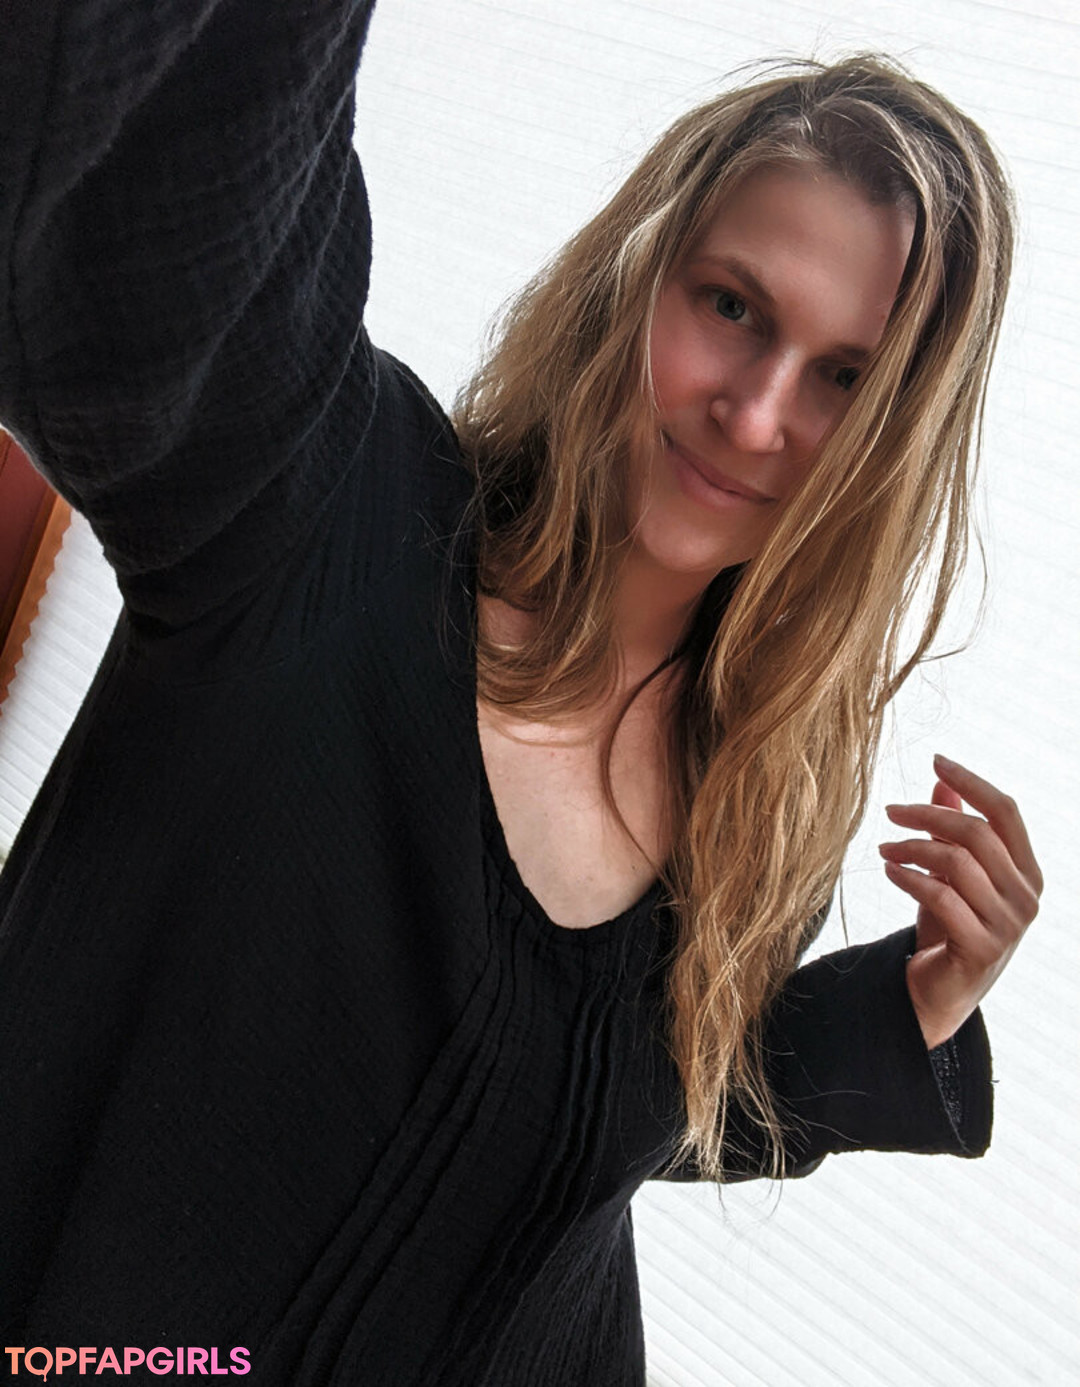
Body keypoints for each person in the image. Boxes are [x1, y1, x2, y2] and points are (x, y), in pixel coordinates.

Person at [0, 3, 1041, 1385]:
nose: (756, 415)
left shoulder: (754, 803)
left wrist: (915, 1006)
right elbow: (149, 202)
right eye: (732, 307)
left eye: (844, 378)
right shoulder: (321, 506)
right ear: (640, 277)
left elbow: (593, 1103)